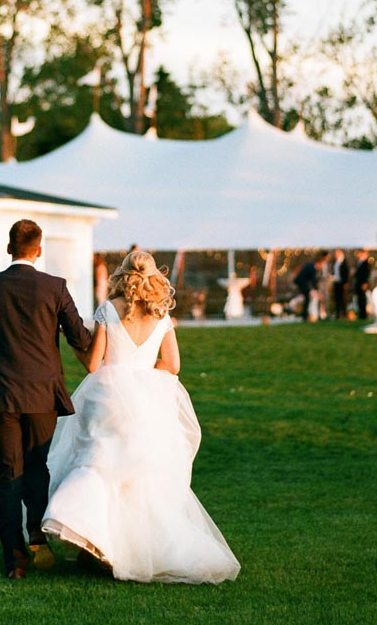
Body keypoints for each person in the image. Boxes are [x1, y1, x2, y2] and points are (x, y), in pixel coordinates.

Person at [42, 250, 240, 584]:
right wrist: (144, 376)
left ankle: (91, 539)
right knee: (141, 479)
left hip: (107, 395)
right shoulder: (162, 316)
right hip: (148, 399)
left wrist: (75, 346)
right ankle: (136, 550)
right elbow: (173, 365)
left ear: (123, 275)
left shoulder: (109, 309)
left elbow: (93, 364)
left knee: (99, 465)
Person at [0, 218, 92, 580]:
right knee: (37, 468)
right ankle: (36, 529)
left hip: (1, 395)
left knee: (6, 474)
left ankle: (14, 561)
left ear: (9, 249)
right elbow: (80, 337)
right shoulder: (55, 287)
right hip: (42, 395)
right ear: (38, 250)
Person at [294, 252, 327, 322]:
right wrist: (315, 290)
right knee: (307, 299)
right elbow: (313, 280)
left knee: (307, 299)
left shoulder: (311, 266)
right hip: (302, 283)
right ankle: (305, 316)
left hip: (302, 283)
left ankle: (306, 316)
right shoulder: (312, 268)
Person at [331, 249, 350, 320]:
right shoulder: (335, 262)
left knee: (343, 299)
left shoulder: (344, 262)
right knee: (337, 299)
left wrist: (346, 283)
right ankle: (338, 314)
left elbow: (346, 273)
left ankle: (344, 314)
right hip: (336, 282)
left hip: (342, 283)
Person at [353, 249, 371, 320]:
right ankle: (361, 314)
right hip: (358, 283)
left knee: (362, 299)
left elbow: (366, 274)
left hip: (362, 283)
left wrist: (365, 283)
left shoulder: (366, 263)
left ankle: (363, 315)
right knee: (359, 299)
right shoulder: (359, 262)